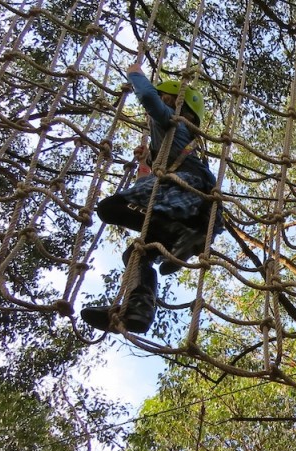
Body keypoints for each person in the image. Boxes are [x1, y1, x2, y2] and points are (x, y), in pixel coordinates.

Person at [81, 62, 220, 334]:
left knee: (110, 207)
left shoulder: (170, 122)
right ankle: (138, 311)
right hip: (192, 207)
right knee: (136, 253)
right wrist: (145, 162)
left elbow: (147, 98)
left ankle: (178, 234)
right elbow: (148, 188)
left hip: (185, 197)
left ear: (170, 101)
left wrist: (135, 74)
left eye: (164, 99)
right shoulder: (178, 144)